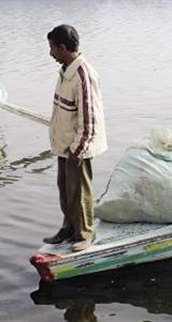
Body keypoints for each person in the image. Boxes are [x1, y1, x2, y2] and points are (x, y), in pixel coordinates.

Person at [43, 24, 107, 252]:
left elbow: (89, 119)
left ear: (62, 47)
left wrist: (77, 149)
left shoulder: (82, 74)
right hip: (64, 144)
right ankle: (68, 228)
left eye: (52, 48)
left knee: (79, 192)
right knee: (65, 189)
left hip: (78, 147)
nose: (51, 53)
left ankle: (84, 233)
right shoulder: (65, 71)